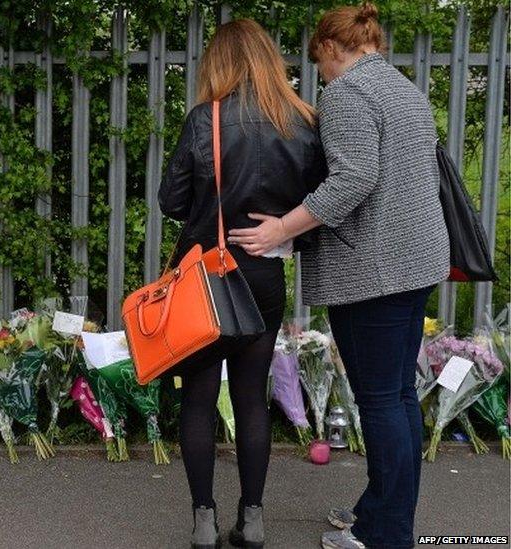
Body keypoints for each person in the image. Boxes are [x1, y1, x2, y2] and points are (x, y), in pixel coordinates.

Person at [227, 4, 450, 549]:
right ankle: (380, 510)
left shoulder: (348, 93)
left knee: (380, 401)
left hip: (373, 269)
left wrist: (282, 226)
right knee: (397, 396)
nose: (318, 73)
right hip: (415, 259)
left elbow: (353, 179)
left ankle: (383, 535)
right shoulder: (404, 90)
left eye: (317, 61)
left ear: (330, 47)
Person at [159, 19, 327, 549]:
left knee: (200, 400)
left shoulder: (204, 120)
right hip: (264, 271)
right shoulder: (302, 121)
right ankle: (252, 519)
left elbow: (172, 201)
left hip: (206, 275)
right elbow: (322, 199)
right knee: (253, 397)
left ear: (220, 61)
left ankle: (203, 521)